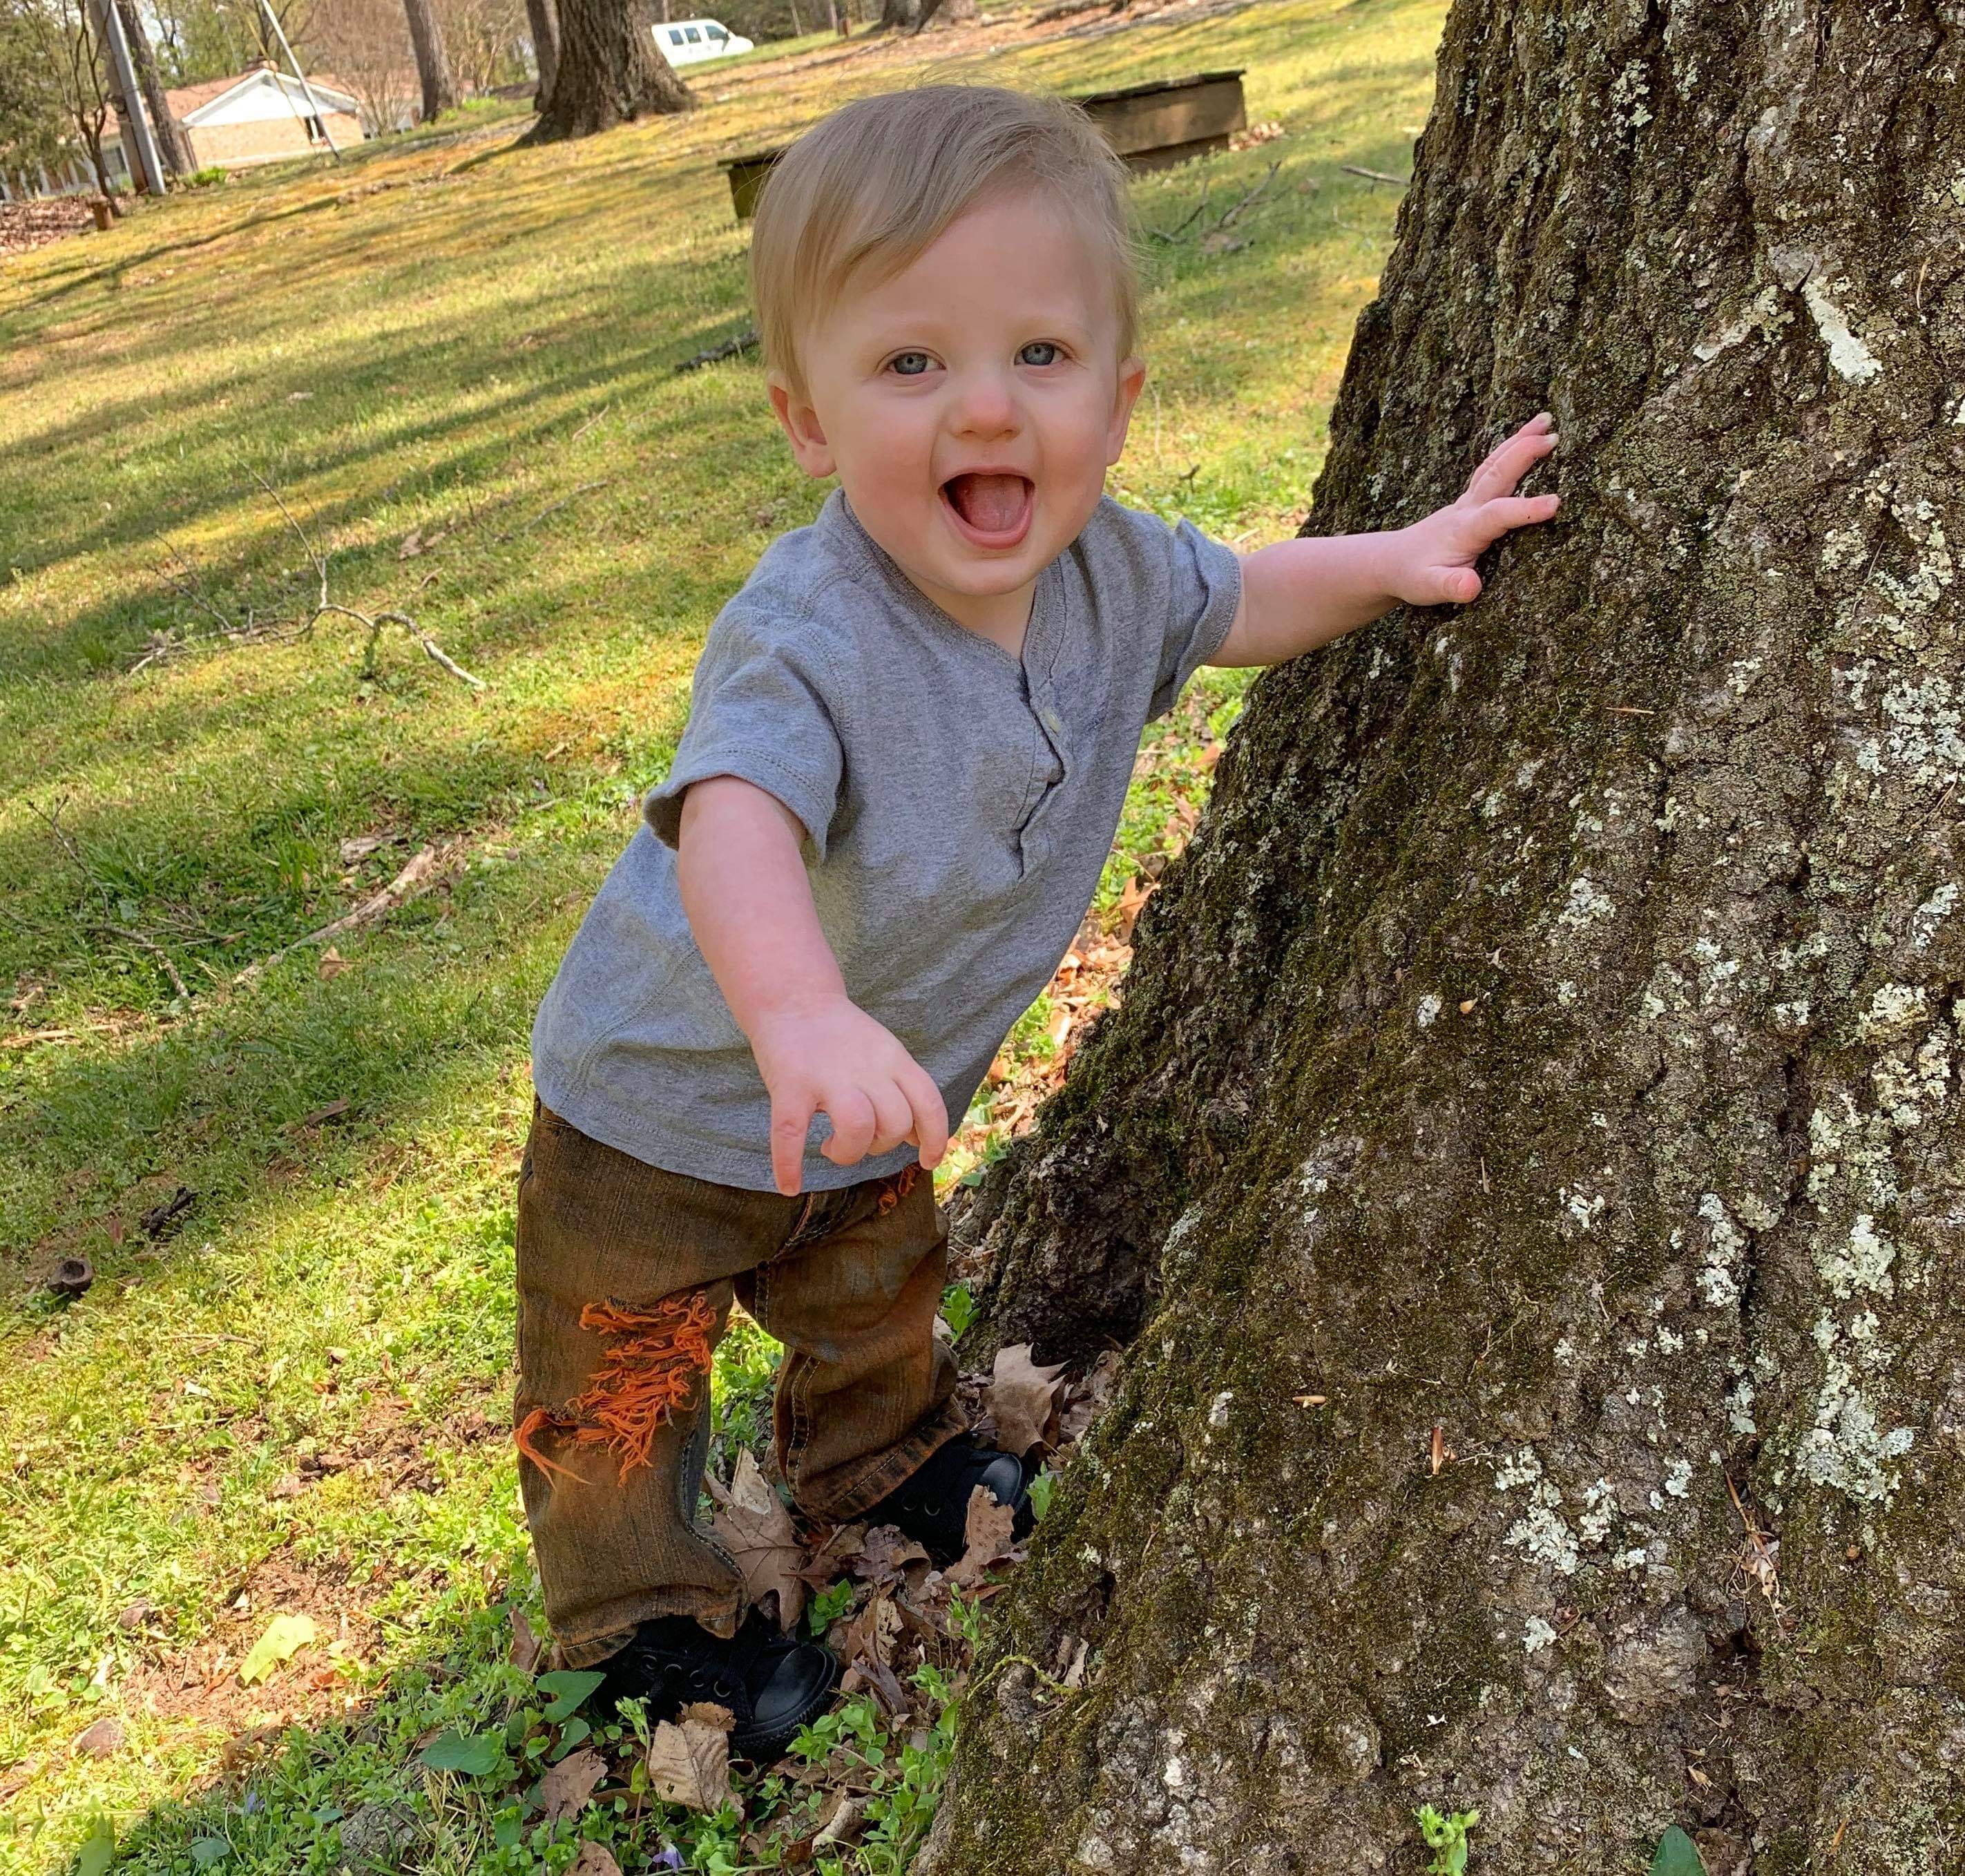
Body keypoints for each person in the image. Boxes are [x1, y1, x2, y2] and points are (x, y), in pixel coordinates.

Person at [515, 83, 1560, 1760]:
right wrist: (795, 1014)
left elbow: (1250, 594)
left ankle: (880, 1456)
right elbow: (734, 823)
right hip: (660, 1097)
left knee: (874, 1292)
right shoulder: (810, 629)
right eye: (911, 364)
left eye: (1040, 359)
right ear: (807, 419)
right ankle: (640, 1626)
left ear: (1122, 396)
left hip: (874, 1098)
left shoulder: (1116, 576)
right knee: (618, 1380)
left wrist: (1406, 555)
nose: (982, 408)